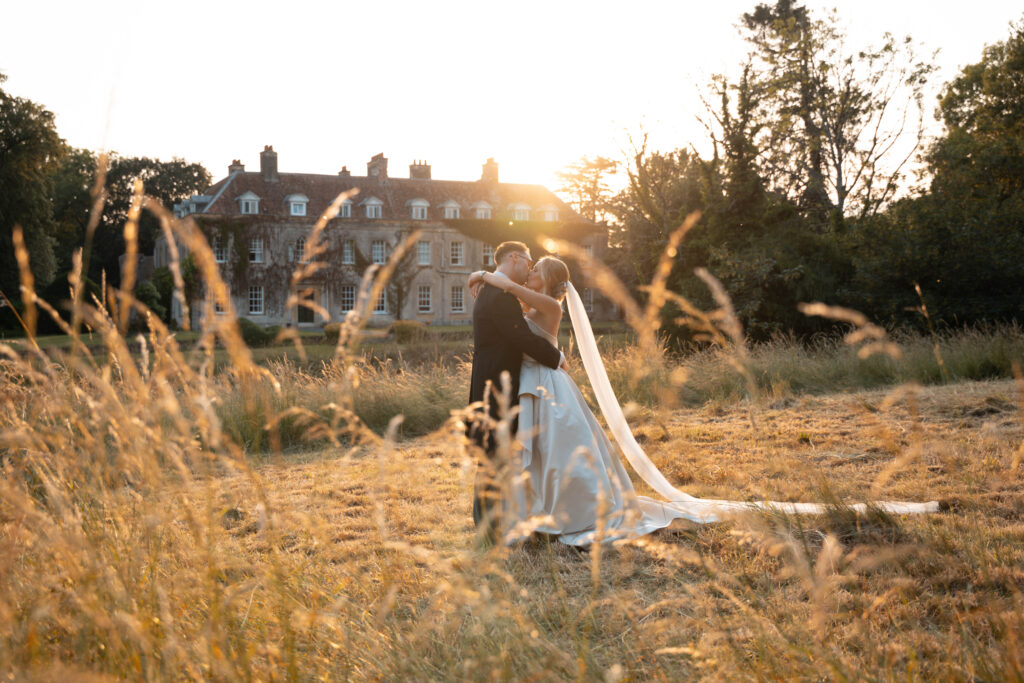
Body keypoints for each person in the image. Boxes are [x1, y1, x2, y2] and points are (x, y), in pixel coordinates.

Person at [469, 257, 941, 547]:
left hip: (551, 389)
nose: (528, 274)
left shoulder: (546, 304)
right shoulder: (528, 303)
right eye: (527, 269)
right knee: (543, 457)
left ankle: (573, 516)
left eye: (535, 272)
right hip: (535, 387)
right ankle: (540, 516)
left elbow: (514, 296)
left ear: (550, 282)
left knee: (562, 455)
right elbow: (512, 320)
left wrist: (489, 276)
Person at [468, 242, 563, 545]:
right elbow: (520, 336)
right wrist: (557, 358)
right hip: (498, 383)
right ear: (515, 258)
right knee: (495, 454)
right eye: (529, 263)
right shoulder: (499, 293)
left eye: (535, 268)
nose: (529, 269)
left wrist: (481, 273)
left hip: (503, 382)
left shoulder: (494, 290)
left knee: (504, 454)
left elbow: (519, 332)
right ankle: (490, 526)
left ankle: (501, 522)